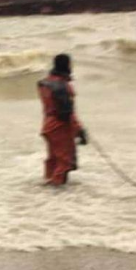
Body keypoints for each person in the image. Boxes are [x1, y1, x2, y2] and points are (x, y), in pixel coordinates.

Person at [37, 53, 87, 186]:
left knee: (53, 158)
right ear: (66, 66)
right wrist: (79, 130)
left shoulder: (45, 83)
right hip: (61, 127)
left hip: (48, 124)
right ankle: (58, 191)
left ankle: (48, 183)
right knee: (64, 162)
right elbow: (67, 113)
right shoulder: (63, 86)